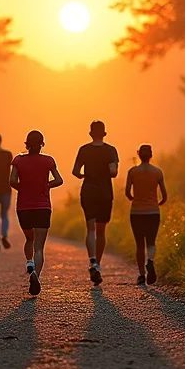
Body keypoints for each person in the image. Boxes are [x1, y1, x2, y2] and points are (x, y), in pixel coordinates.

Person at [10, 130, 64, 296]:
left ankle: (29, 263)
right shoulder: (48, 161)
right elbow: (59, 180)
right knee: (39, 247)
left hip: (24, 207)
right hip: (42, 206)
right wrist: (46, 186)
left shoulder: (18, 160)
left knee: (29, 239)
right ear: (42, 144)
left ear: (26, 143)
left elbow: (12, 181)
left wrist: (24, 188)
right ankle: (36, 275)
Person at [71, 120, 119, 286]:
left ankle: (92, 261)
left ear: (91, 133)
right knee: (101, 230)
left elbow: (75, 171)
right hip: (105, 192)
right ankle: (97, 265)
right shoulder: (111, 150)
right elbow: (113, 172)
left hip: (88, 190)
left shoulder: (84, 150)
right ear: (104, 133)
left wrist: (86, 175)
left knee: (90, 227)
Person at [125, 144, 168, 285]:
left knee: (139, 244)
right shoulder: (157, 172)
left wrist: (134, 200)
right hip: (153, 212)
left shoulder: (132, 172)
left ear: (138, 154)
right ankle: (150, 261)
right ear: (151, 155)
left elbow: (127, 193)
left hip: (137, 212)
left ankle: (141, 275)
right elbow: (164, 195)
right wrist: (158, 203)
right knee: (151, 242)